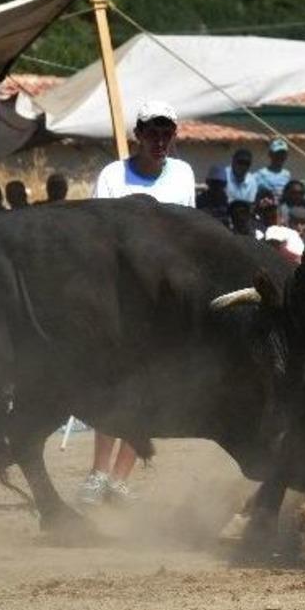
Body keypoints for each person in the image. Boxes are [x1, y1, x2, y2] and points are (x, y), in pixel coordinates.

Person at [80, 99, 196, 505]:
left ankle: (120, 479)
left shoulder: (182, 174)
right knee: (113, 384)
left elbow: (189, 232)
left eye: (167, 132)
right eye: (152, 132)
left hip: (165, 296)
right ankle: (97, 474)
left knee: (146, 389)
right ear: (138, 135)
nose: (159, 140)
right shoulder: (113, 175)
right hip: (120, 294)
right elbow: (97, 232)